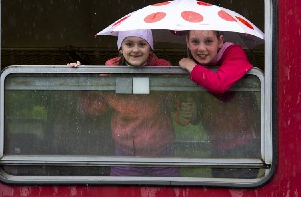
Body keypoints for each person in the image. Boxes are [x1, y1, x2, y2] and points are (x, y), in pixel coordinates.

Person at [69, 29, 179, 177]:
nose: (135, 50)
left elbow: (176, 99)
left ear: (150, 48)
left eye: (142, 44)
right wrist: (79, 77)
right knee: (122, 191)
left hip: (162, 151)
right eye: (129, 44)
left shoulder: (163, 69)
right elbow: (95, 108)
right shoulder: (110, 73)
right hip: (125, 153)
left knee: (168, 191)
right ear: (120, 49)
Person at [179, 30, 260, 178]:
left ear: (220, 41)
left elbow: (219, 86)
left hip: (244, 145)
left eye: (208, 42)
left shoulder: (235, 53)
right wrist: (194, 113)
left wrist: (190, 66)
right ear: (187, 42)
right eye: (195, 42)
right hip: (217, 145)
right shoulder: (200, 61)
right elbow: (206, 104)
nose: (201, 48)